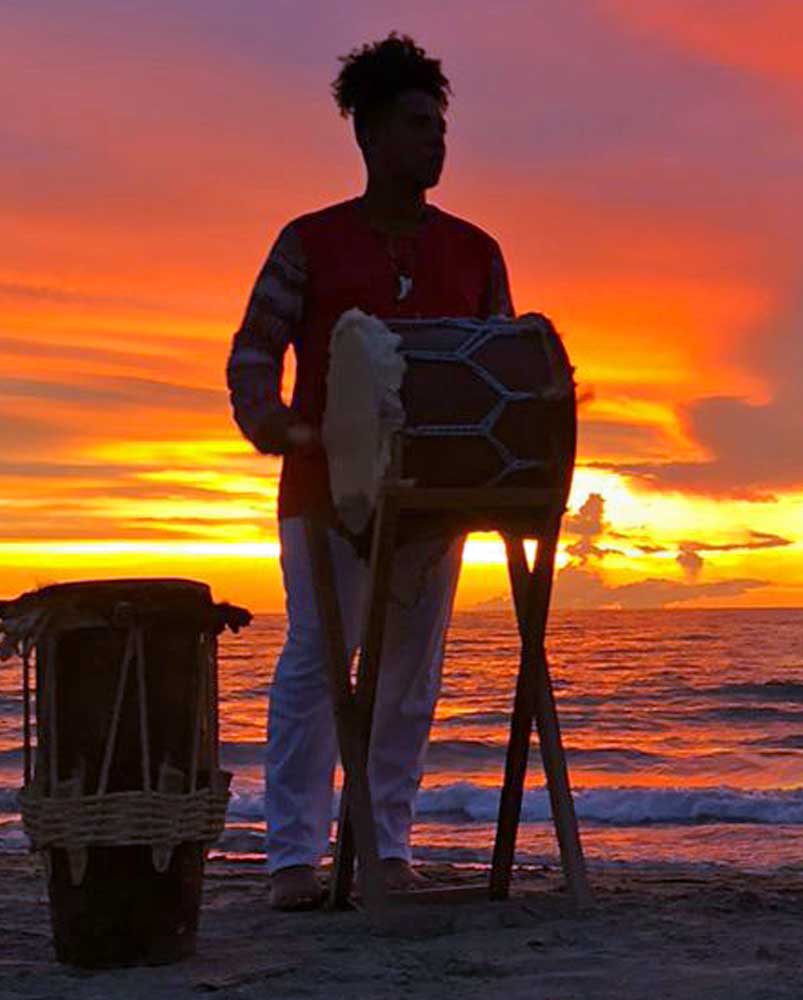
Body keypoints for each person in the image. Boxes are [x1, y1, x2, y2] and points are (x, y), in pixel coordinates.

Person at [224, 33, 513, 910]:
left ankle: (387, 848)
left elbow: (497, 366)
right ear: (372, 136)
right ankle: (291, 861)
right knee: (317, 664)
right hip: (325, 498)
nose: (438, 142)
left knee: (408, 678)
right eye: (420, 124)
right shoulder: (308, 241)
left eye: (442, 125)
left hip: (433, 505)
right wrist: (276, 425)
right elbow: (251, 356)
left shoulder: (475, 250)